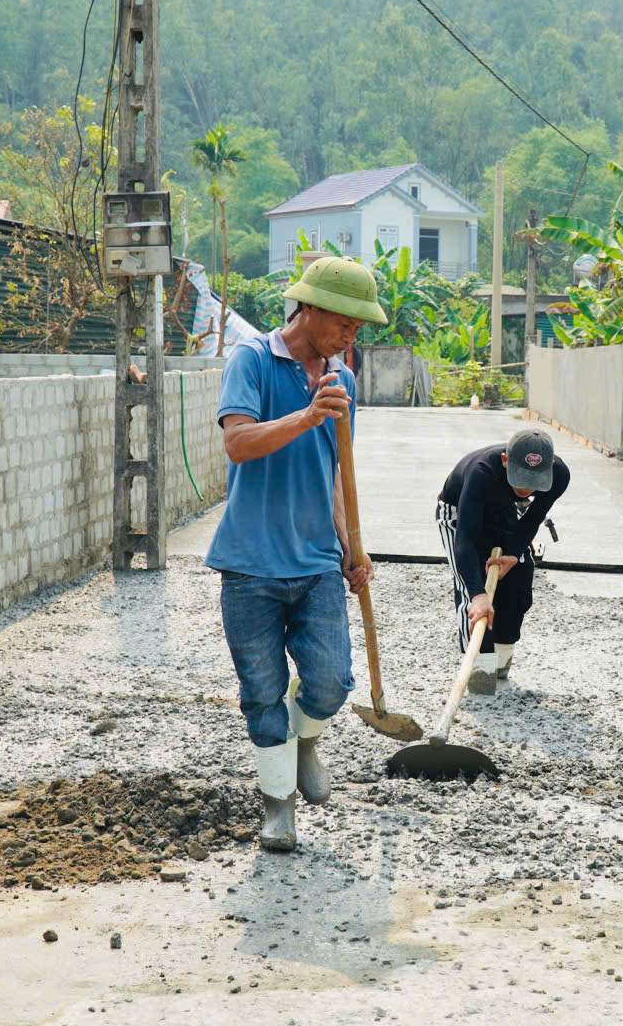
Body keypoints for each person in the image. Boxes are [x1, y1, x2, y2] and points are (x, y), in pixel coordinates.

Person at [205, 256, 385, 853]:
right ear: (308, 308)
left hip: (316, 562)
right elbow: (237, 443)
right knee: (262, 692)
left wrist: (352, 548)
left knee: (330, 682)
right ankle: (278, 805)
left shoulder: (343, 380)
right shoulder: (253, 360)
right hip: (249, 563)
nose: (350, 335)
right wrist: (308, 415)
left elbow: (339, 474)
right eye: (345, 322)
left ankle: (305, 740)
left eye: (358, 327)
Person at [436, 429, 570, 694]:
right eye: (520, 479)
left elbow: (533, 518)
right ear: (505, 461)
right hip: (459, 512)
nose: (526, 489)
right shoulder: (481, 472)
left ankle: (501, 662)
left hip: (504, 507)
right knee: (474, 594)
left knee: (519, 577)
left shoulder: (560, 475)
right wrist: (478, 594)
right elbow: (465, 539)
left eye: (534, 482)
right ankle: (480, 674)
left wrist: (513, 553)